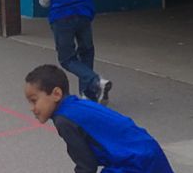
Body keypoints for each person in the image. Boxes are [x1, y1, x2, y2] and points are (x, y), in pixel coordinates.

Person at [24, 64, 174, 173]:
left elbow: (86, 165)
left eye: (34, 100)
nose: (32, 108)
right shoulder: (78, 105)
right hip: (147, 149)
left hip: (133, 162)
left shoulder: (64, 120)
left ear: (56, 94)